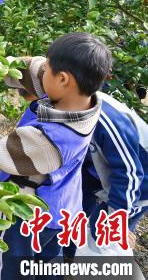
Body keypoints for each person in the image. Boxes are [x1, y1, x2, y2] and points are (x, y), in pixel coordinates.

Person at [0, 32, 112, 280]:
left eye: (50, 68)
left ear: (63, 79)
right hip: (62, 211)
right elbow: (33, 69)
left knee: (13, 270)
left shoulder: (52, 139)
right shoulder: (82, 100)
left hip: (26, 215)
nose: (44, 70)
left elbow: (0, 153)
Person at [11, 58, 148, 256]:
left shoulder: (104, 119)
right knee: (75, 221)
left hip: (139, 182)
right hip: (96, 174)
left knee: (104, 238)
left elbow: (130, 173)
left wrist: (118, 218)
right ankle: (69, 257)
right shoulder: (63, 103)